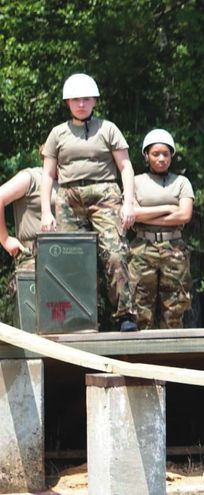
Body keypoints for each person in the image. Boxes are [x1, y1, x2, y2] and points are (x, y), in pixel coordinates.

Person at [40, 73, 139, 332]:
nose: (80, 104)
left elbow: (125, 166)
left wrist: (128, 203)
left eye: (85, 99)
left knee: (114, 252)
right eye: (75, 99)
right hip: (69, 197)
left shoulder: (107, 129)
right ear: (67, 102)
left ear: (94, 101)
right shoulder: (57, 133)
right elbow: (48, 174)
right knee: (73, 259)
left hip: (104, 194)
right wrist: (45, 212)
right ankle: (81, 317)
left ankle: (125, 314)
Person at [128, 129, 194, 329]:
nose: (161, 158)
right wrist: (167, 209)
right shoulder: (135, 182)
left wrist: (145, 214)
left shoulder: (181, 182)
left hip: (174, 247)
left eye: (166, 154)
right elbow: (131, 214)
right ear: (146, 155)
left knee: (175, 305)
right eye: (156, 154)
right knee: (140, 304)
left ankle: (172, 356)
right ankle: (137, 356)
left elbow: (184, 215)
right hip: (142, 247)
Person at [0, 159, 51, 289]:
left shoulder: (70, 181)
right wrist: (5, 239)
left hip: (65, 258)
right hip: (32, 258)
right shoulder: (32, 177)